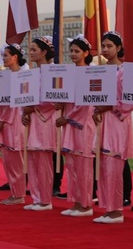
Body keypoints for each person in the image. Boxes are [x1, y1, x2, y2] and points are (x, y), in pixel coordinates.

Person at [93, 31, 133, 224]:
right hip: (102, 121)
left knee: (114, 165)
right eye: (103, 46)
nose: (106, 50)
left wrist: (109, 106)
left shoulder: (125, 71)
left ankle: (117, 209)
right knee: (103, 165)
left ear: (118, 48)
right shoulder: (99, 69)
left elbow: (129, 99)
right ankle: (108, 207)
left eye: (110, 46)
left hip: (117, 122)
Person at [58, 35, 95, 217]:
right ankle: (75, 201)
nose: (73, 54)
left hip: (83, 124)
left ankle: (86, 204)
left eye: (77, 51)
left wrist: (68, 117)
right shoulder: (68, 73)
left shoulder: (90, 73)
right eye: (71, 51)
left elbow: (86, 104)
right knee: (71, 163)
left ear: (86, 53)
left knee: (84, 165)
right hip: (69, 124)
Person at [22, 36, 56, 211]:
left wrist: (33, 107)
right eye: (31, 49)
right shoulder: (32, 73)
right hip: (33, 119)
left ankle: (45, 199)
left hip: (45, 119)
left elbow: (53, 100)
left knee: (43, 161)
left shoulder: (53, 72)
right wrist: (25, 110)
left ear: (44, 52)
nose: (31, 53)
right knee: (34, 159)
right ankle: (36, 197)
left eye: (35, 49)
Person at [0, 44, 26, 205]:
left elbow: (16, 106)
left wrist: (2, 120)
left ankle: (19, 193)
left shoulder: (22, 76)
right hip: (4, 122)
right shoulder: (4, 76)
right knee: (7, 159)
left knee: (16, 160)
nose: (4, 58)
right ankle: (14, 191)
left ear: (15, 57)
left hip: (15, 123)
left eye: (6, 55)